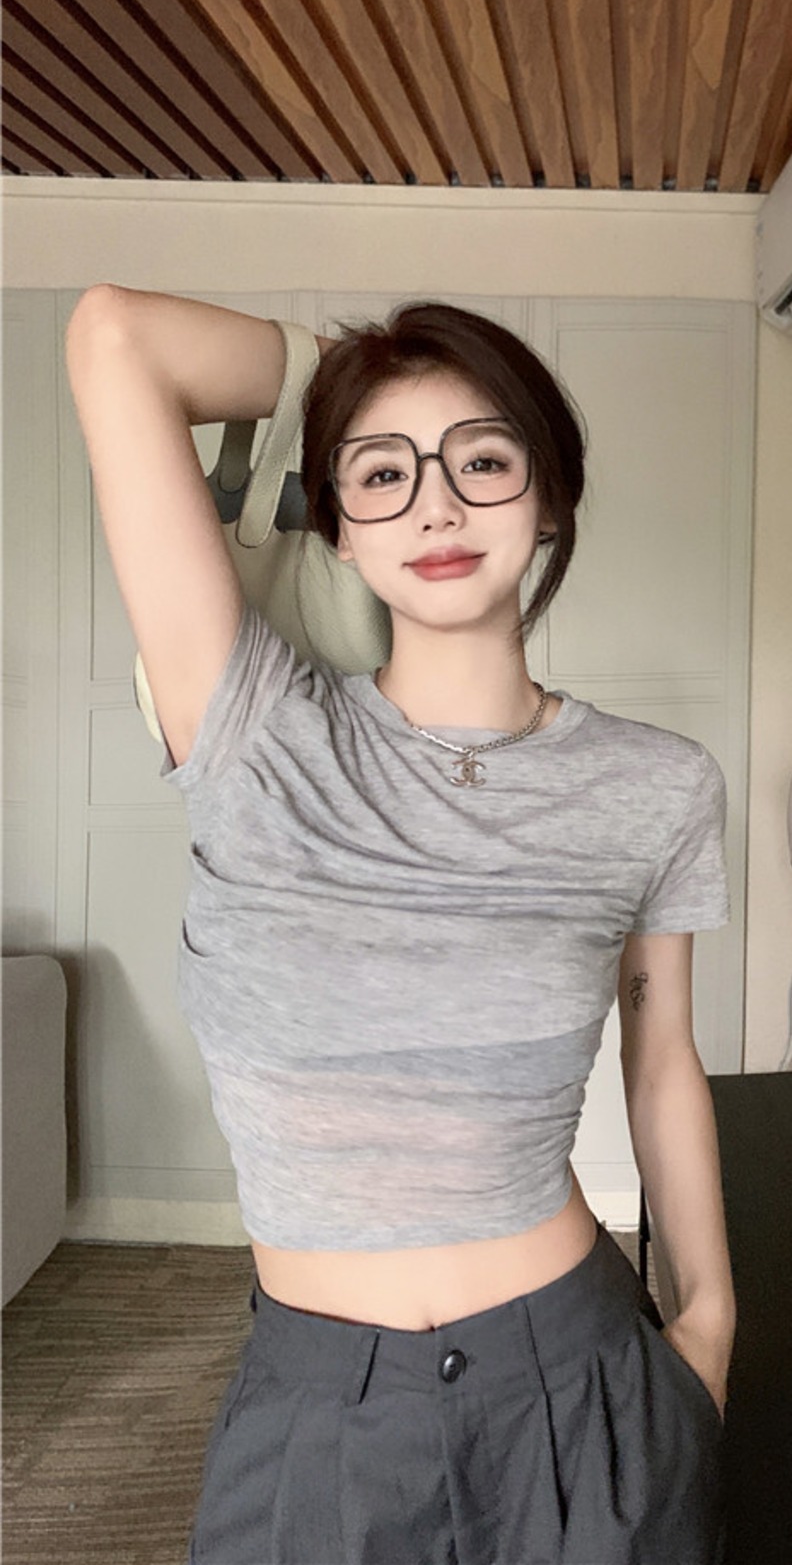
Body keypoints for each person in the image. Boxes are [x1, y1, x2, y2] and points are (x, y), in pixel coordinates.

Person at [65, 286, 735, 1565]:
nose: (436, 506)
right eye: (382, 474)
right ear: (337, 526)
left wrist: (706, 1329)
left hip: (581, 1383)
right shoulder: (255, 733)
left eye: (482, 461)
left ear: (549, 499)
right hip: (315, 1404)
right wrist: (353, 370)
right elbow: (113, 335)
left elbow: (661, 1060)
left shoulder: (657, 787)